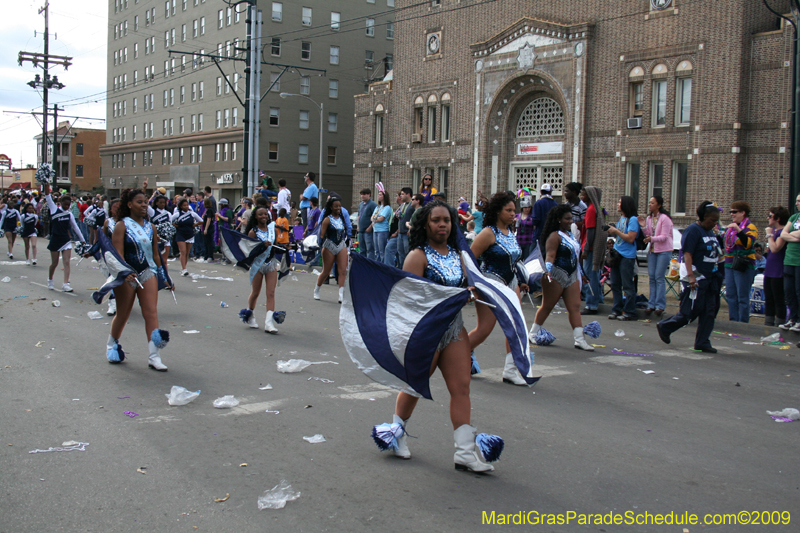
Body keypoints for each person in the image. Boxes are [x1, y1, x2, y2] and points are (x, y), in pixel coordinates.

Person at [386, 200, 496, 472]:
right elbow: (407, 299)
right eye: (436, 220)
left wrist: (471, 292)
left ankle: (465, 452)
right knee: (415, 386)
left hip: (454, 329)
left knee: (461, 388)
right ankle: (396, 434)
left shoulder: (461, 255)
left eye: (446, 220)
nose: (442, 224)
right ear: (426, 224)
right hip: (426, 332)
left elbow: (469, 286)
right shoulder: (417, 256)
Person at [105, 188, 173, 370]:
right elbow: (117, 254)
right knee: (123, 313)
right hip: (127, 274)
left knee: (151, 312)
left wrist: (164, 276)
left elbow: (156, 255)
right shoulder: (121, 226)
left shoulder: (151, 227)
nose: (144, 205)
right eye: (139, 202)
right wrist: (124, 272)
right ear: (129, 205)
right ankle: (112, 344)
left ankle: (154, 356)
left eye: (145, 202)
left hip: (147, 271)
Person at [468, 191, 530, 385]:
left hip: (511, 285)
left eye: (515, 210)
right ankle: (457, 356)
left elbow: (514, 259)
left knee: (516, 327)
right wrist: (472, 285)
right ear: (497, 211)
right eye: (509, 210)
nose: (513, 214)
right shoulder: (488, 233)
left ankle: (511, 370)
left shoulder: (511, 232)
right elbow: (470, 259)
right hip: (490, 285)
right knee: (484, 330)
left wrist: (521, 280)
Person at [657, 202, 723, 353]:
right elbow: (687, 254)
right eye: (712, 220)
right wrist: (691, 276)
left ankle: (702, 341)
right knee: (690, 311)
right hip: (695, 276)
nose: (715, 223)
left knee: (710, 311)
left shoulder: (710, 232)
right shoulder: (693, 231)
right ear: (703, 217)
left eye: (716, 221)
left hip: (710, 277)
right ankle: (665, 326)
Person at [527, 204, 594, 351]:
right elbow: (550, 255)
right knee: (547, 306)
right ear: (558, 219)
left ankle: (579, 339)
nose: (570, 221)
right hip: (556, 275)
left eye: (571, 218)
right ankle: (533, 333)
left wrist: (582, 274)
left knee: (575, 307)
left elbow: (575, 257)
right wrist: (548, 271)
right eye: (567, 219)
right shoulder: (554, 236)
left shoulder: (570, 236)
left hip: (572, 276)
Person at [239, 205, 282, 333]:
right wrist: (262, 245)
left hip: (271, 264)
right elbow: (249, 250)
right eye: (260, 214)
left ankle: (269, 323)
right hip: (258, 265)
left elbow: (276, 246)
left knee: (271, 293)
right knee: (255, 293)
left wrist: (285, 247)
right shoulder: (253, 232)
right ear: (255, 217)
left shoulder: (272, 229)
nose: (263, 216)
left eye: (265, 214)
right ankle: (250, 314)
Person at [42, 183, 86, 292]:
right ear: (61, 203)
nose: (67, 207)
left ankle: (66, 283)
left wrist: (83, 240)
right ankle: (50, 280)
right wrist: (46, 182)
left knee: (66, 262)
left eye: (68, 205)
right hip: (55, 239)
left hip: (66, 240)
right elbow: (47, 195)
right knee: (54, 263)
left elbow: (75, 227)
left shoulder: (69, 214)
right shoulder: (53, 209)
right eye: (65, 204)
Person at [723, 201, 758, 323]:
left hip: (743, 264)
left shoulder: (750, 227)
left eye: (734, 212)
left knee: (742, 297)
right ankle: (733, 321)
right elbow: (726, 244)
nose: (732, 214)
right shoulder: (730, 228)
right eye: (730, 212)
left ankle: (743, 323)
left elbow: (748, 244)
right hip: (729, 263)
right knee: (731, 295)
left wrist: (739, 230)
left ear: (743, 213)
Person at [606, 196, 640, 320]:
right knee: (615, 283)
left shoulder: (633, 220)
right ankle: (617, 309)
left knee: (627, 285)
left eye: (620, 202)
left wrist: (616, 231)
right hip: (617, 253)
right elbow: (620, 235)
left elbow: (630, 238)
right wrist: (612, 231)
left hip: (627, 256)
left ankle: (630, 311)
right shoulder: (622, 218)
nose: (617, 204)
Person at [640, 196, 674, 316]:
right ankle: (651, 304)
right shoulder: (650, 218)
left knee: (659, 277)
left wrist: (651, 239)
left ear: (658, 205)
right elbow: (649, 234)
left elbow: (664, 236)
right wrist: (644, 226)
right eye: (649, 202)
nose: (650, 205)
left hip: (664, 250)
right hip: (653, 251)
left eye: (652, 203)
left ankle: (660, 305)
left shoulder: (665, 219)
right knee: (652, 277)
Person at [313, 196, 349, 303]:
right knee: (326, 271)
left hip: (341, 245)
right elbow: (322, 235)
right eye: (336, 206)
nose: (338, 208)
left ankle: (341, 294)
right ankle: (317, 289)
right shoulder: (327, 219)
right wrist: (321, 247)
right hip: (329, 246)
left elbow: (344, 231)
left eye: (339, 206)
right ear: (331, 207)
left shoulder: (342, 218)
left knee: (343, 271)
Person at [580, 186, 607, 315]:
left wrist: (585, 249)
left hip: (589, 248)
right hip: (592, 248)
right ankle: (598, 300)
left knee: (589, 277)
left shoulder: (591, 210)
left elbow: (590, 231)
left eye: (584, 194)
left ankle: (591, 304)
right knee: (595, 275)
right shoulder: (596, 209)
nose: (581, 196)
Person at [764, 206, 789, 327]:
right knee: (768, 298)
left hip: (778, 270)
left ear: (778, 218)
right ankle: (768, 324)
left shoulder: (782, 232)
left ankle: (780, 323)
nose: (768, 218)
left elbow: (775, 249)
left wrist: (769, 235)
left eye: (770, 216)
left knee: (778, 299)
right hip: (769, 270)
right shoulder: (773, 232)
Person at [778, 194, 800, 330]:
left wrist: (790, 235)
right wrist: (795, 236)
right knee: (789, 291)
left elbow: (788, 234)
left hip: (799, 261)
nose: (797, 203)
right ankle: (792, 318)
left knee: (799, 291)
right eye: (797, 200)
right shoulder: (794, 217)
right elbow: (783, 234)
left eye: (799, 201)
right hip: (789, 259)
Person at [172, 199, 203, 276]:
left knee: (187, 253)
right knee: (183, 251)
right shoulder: (177, 214)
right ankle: (183, 269)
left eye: (187, 205)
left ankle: (184, 267)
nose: (186, 206)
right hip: (180, 234)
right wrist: (175, 226)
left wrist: (194, 225)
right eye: (184, 205)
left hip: (190, 234)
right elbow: (169, 221)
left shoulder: (192, 214)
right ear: (181, 206)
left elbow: (201, 220)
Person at [383, 192, 403, 267]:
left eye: (397, 196)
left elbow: (403, 222)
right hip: (393, 234)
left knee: (389, 249)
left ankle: (389, 268)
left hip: (396, 234)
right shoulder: (399, 207)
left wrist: (396, 232)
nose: (396, 197)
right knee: (398, 253)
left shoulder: (404, 207)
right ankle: (399, 268)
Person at [371, 190, 392, 263]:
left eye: (380, 195)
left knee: (381, 250)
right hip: (375, 230)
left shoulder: (387, 207)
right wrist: (375, 218)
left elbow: (381, 218)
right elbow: (372, 217)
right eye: (378, 195)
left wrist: (375, 219)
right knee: (376, 251)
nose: (378, 196)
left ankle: (383, 265)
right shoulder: (378, 207)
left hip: (382, 230)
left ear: (384, 197)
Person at [397, 188, 415, 265]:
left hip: (407, 233)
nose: (401, 196)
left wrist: (411, 228)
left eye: (402, 194)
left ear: (408, 194)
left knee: (407, 253)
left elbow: (414, 218)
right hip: (400, 233)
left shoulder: (412, 205)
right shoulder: (402, 205)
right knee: (400, 254)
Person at [358, 188, 377, 260]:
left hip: (368, 231)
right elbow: (359, 215)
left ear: (369, 194)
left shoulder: (372, 204)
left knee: (369, 249)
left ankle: (370, 263)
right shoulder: (360, 204)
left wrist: (370, 227)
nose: (362, 196)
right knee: (362, 249)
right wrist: (358, 226)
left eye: (364, 194)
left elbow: (375, 217)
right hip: (361, 230)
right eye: (361, 194)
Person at [515, 194, 535, 260]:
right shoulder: (517, 216)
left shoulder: (532, 217)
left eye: (529, 207)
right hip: (519, 240)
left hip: (528, 241)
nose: (527, 209)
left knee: (527, 260)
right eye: (525, 207)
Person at [201, 197, 216, 262]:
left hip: (209, 228)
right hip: (205, 227)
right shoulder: (206, 210)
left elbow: (209, 219)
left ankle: (209, 256)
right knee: (206, 242)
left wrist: (206, 229)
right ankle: (206, 255)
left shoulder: (210, 210)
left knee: (208, 242)